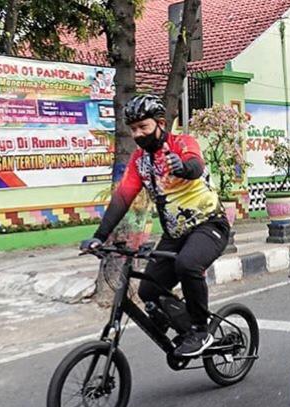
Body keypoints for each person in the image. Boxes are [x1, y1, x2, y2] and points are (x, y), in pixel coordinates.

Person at [80, 94, 229, 357]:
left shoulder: (181, 142)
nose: (138, 134)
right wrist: (99, 237)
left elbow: (195, 165)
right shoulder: (140, 162)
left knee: (188, 265)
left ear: (160, 124)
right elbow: (123, 197)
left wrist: (181, 166)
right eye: (134, 129)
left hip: (209, 225)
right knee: (148, 289)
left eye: (143, 127)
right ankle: (182, 324)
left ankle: (200, 330)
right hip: (175, 234)